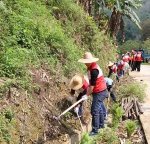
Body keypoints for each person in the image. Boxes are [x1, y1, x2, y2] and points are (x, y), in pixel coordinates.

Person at [78, 52, 108, 136]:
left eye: (85, 61)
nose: (85, 63)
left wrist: (86, 95)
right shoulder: (91, 67)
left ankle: (95, 130)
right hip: (99, 91)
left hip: (100, 91)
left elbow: (92, 86)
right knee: (99, 109)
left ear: (90, 61)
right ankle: (101, 125)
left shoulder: (94, 70)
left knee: (94, 110)